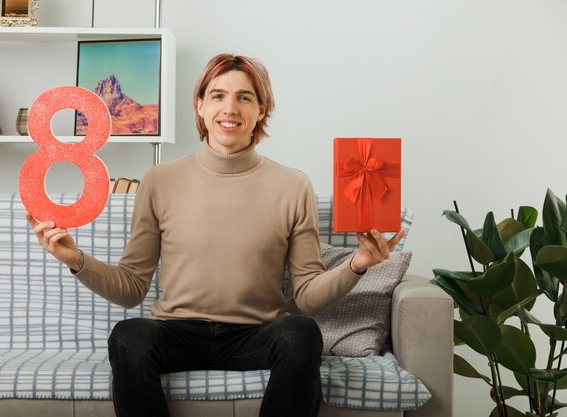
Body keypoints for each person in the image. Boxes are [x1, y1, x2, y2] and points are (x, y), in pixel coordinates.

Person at [27, 53, 405, 417]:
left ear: (261, 110)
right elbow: (131, 287)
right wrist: (76, 260)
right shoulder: (159, 181)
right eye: (218, 96)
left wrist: (357, 264)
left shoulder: (293, 185)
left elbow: (305, 297)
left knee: (301, 332)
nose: (230, 109)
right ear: (201, 106)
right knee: (129, 335)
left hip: (257, 335)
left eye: (245, 97)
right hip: (177, 333)